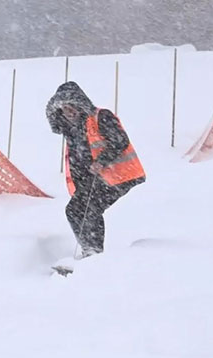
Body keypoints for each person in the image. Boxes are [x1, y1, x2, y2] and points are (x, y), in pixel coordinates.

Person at [46, 81, 145, 257]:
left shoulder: (101, 116)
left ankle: (94, 253)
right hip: (94, 179)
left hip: (121, 175)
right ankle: (89, 250)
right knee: (73, 210)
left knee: (90, 208)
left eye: (71, 106)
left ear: (80, 104)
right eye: (64, 108)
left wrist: (102, 160)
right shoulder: (71, 131)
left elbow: (120, 141)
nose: (69, 111)